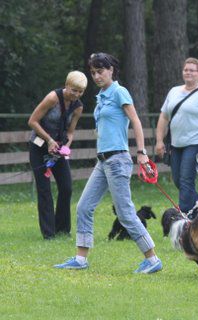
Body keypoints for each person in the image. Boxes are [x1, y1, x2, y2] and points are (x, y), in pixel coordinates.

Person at [54, 53, 163, 274]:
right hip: (102, 161)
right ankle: (80, 258)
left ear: (111, 70)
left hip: (117, 160)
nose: (96, 76)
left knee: (125, 213)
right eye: (93, 72)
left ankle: (152, 259)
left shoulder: (119, 92)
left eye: (100, 71)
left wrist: (141, 153)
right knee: (84, 206)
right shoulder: (101, 95)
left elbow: (135, 121)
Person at [155, 57, 198, 217]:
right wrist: (159, 141)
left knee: (186, 181)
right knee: (178, 180)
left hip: (196, 144)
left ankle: (185, 217)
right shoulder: (174, 91)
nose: (188, 73)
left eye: (192, 70)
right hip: (176, 144)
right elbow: (164, 117)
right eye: (186, 70)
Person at [28, 71, 87, 239]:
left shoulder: (78, 107)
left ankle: (62, 229)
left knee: (66, 187)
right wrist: (49, 140)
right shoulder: (52, 98)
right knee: (44, 189)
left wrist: (65, 147)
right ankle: (49, 233)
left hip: (58, 150)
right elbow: (32, 121)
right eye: (74, 90)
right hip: (39, 146)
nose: (76, 94)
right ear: (66, 85)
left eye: (80, 91)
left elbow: (71, 132)